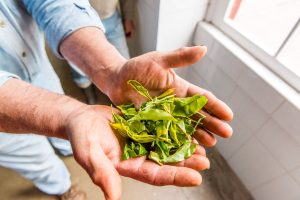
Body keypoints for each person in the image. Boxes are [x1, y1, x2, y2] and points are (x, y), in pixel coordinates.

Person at [0, 1, 233, 200]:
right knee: (35, 158)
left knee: (67, 130)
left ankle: (65, 146)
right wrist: (70, 115)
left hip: (35, 65)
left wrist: (111, 70)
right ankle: (61, 187)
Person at [69, 0, 135, 104]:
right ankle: (89, 94)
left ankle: (123, 100)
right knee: (80, 64)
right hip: (80, 19)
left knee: (124, 64)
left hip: (111, 18)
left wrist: (128, 17)